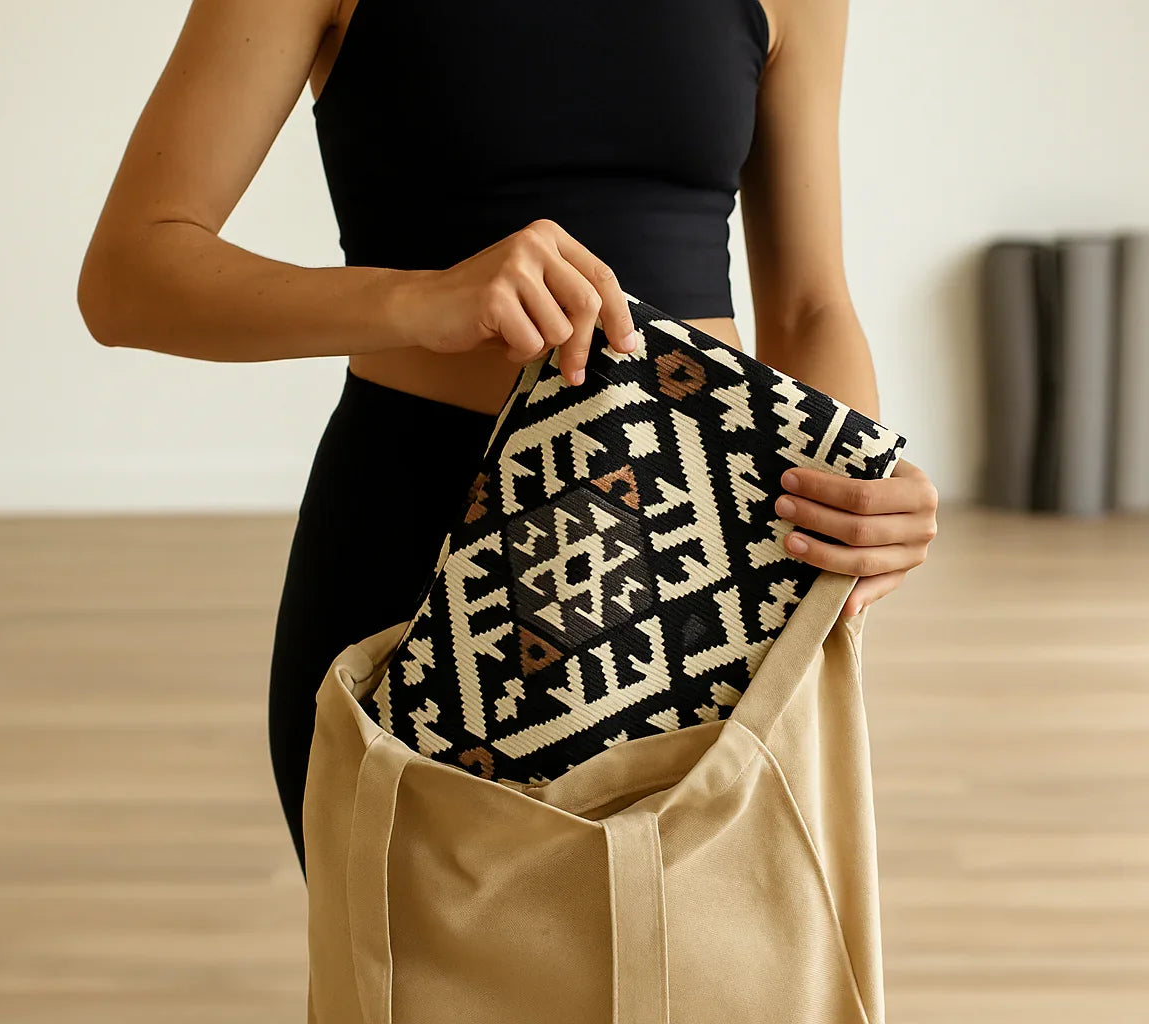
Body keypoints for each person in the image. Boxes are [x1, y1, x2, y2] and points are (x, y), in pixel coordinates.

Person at [76, 0, 940, 874]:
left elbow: (808, 304)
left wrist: (856, 489)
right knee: (419, 982)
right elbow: (128, 273)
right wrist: (420, 300)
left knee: (717, 972)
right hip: (413, 548)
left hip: (712, 560)